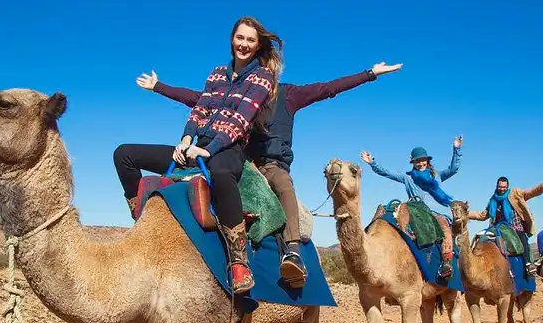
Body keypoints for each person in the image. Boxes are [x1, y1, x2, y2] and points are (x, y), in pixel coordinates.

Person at [136, 61, 403, 287]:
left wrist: (370, 74)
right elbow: (197, 99)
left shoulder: (290, 95)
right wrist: (159, 87)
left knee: (283, 185)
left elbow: (328, 88)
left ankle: (293, 252)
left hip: (272, 165)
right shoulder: (238, 96)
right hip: (241, 160)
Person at [114, 16, 282, 294]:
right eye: (240, 38)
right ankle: (141, 214)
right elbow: (199, 110)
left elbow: (241, 119)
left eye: (250, 40)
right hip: (194, 145)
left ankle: (238, 261)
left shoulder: (262, 76)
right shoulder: (217, 73)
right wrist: (186, 139)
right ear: (232, 39)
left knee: (220, 173)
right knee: (124, 155)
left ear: (257, 45)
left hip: (229, 147)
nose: (244, 44)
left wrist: (209, 147)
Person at [359, 136, 463, 277]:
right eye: (417, 161)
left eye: (422, 160)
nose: (420, 163)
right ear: (413, 162)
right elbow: (388, 173)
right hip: (417, 211)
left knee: (444, 228)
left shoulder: (437, 175)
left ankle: (447, 262)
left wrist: (457, 149)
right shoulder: (408, 178)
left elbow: (454, 168)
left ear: (427, 161)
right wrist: (372, 162)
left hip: (437, 212)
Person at [468, 174, 543, 277]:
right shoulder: (493, 200)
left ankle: (528, 264)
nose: (502, 189)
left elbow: (531, 193)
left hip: (515, 226)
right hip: (498, 228)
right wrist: (465, 213)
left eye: (504, 187)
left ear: (507, 187)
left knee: (522, 242)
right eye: (500, 187)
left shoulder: (515, 193)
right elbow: (483, 215)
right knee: (481, 239)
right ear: (496, 186)